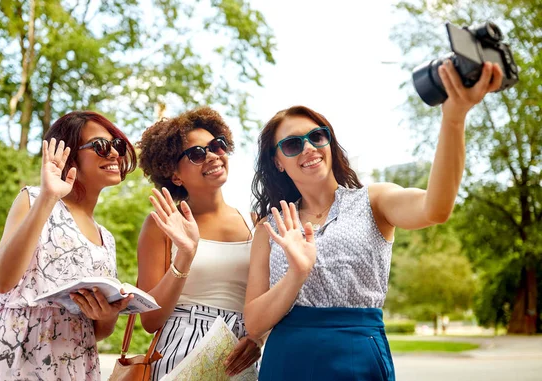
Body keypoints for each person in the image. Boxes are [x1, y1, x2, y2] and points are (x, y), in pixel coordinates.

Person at [244, 61, 504, 380]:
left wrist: (454, 117)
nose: (309, 148)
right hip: (287, 360)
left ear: (330, 142)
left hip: (357, 357)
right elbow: (254, 323)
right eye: (293, 144)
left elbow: (436, 208)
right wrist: (297, 273)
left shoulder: (374, 200)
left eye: (317, 136)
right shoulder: (269, 228)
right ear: (278, 161)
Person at [0, 111, 138, 381]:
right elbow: (2, 281)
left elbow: (95, 330)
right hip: (22, 356)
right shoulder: (34, 199)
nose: (114, 154)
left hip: (77, 362)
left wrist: (107, 315)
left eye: (118, 146)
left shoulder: (106, 238)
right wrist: (48, 197)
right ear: (70, 155)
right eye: (100, 146)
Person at [136, 107, 261, 380]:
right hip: (183, 350)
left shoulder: (255, 222)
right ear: (174, 175)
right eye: (196, 154)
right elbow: (149, 320)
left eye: (217, 145)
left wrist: (258, 338)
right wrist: (185, 255)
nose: (213, 156)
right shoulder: (163, 224)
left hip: (242, 356)